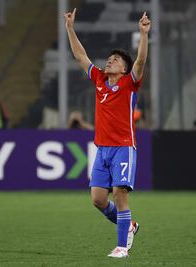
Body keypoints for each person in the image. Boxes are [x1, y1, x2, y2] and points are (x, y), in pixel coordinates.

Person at [64, 8, 150, 258]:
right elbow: (80, 56)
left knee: (119, 194)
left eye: (116, 59)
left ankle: (122, 247)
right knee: (98, 199)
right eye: (110, 58)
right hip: (102, 148)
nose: (110, 60)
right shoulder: (100, 80)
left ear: (124, 69)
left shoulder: (129, 83)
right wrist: (70, 28)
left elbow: (141, 61)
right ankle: (130, 225)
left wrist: (143, 34)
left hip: (124, 146)